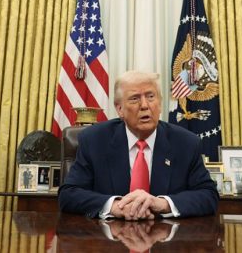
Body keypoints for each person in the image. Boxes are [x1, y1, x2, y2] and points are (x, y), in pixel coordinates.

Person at [59, 70, 219, 219]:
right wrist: (115, 206)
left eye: (151, 97)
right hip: (109, 240)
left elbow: (208, 195)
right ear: (119, 109)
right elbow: (68, 195)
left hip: (167, 242)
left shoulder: (186, 143)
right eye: (135, 98)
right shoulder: (94, 140)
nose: (144, 105)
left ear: (160, 104)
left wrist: (162, 204)